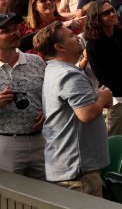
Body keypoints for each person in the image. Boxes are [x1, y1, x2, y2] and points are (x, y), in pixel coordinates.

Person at [35, 21, 113, 197]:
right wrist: (103, 98)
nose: (78, 37)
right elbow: (87, 114)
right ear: (59, 46)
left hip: (67, 166)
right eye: (71, 36)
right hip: (78, 172)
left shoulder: (55, 70)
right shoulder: (69, 75)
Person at [83, 0, 122, 143]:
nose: (113, 14)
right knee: (111, 143)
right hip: (114, 101)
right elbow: (105, 78)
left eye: (113, 10)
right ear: (96, 19)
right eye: (107, 13)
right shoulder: (93, 46)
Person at [0, 13, 46, 178]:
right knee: (11, 201)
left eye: (16, 28)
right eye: (5, 30)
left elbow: (49, 96)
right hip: (6, 144)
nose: (14, 33)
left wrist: (46, 112)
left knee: (46, 197)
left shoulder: (36, 62)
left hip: (40, 141)